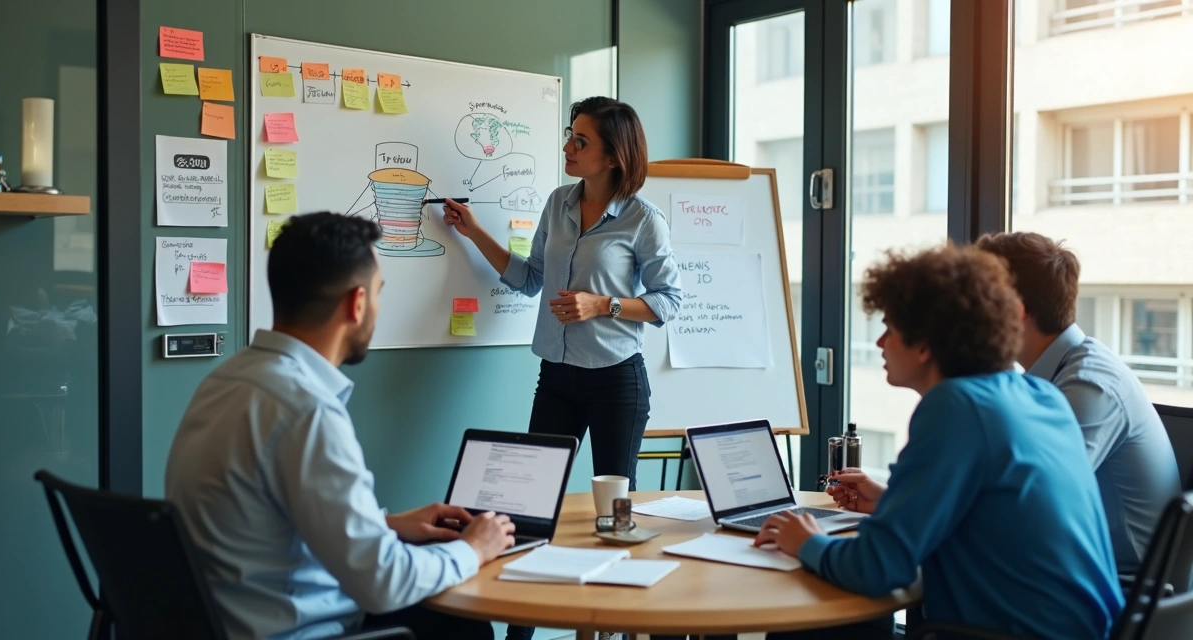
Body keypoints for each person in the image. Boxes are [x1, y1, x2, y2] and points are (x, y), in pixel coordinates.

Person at [165, 212, 515, 640]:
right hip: (297, 630)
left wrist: (384, 524)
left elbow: (263, 519)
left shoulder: (225, 380)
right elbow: (383, 584)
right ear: (358, 303)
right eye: (380, 293)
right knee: (465, 629)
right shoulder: (306, 410)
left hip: (225, 619)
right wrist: (471, 548)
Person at [754, 245, 1122, 640]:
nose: (879, 343)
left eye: (889, 329)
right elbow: (986, 513)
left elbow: (878, 567)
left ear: (925, 345)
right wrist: (893, 500)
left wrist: (806, 542)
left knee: (815, 628)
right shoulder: (1038, 394)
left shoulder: (955, 407)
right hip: (1086, 631)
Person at [443, 96, 682, 640]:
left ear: (614, 155)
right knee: (527, 509)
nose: (568, 148)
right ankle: (516, 636)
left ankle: (614, 628)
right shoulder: (558, 204)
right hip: (557, 375)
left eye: (581, 141)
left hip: (617, 379)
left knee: (613, 519)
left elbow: (670, 301)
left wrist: (604, 305)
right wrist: (475, 230)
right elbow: (529, 279)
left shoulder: (645, 220)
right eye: (569, 136)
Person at [976, 231, 1181, 576]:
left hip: (1121, 594)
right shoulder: (1055, 373)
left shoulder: (1088, 385)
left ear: (1015, 311)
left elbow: (1031, 503)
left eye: (978, 301)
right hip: (1085, 571)